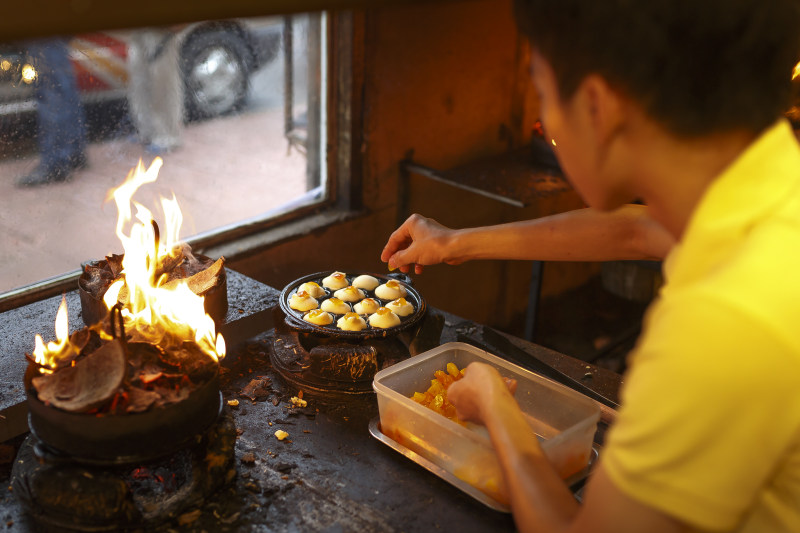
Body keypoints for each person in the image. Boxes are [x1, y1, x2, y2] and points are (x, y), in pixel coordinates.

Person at [383, 1, 800, 532]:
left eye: (543, 89)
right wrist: (455, 242)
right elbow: (635, 230)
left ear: (598, 105)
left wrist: (495, 408)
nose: (547, 123)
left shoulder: (726, 320)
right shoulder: (770, 183)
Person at [16, 37, 88, 187]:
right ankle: (73, 152)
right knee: (60, 83)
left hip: (41, 23)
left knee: (52, 87)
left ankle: (55, 162)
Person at [127, 28, 184, 154]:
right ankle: (146, 130)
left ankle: (167, 136)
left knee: (162, 81)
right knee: (139, 77)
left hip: (161, 28)